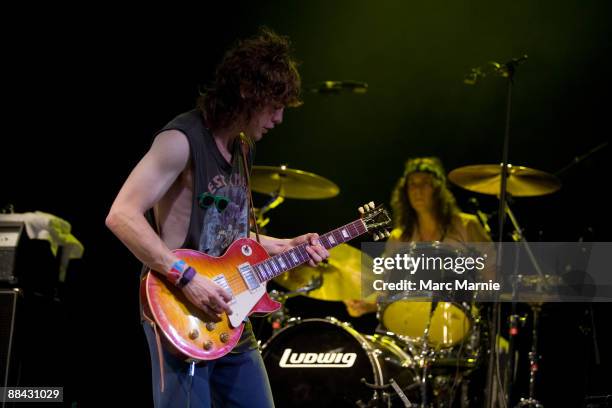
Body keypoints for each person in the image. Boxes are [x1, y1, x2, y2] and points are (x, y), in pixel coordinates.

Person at [105, 28, 329, 408]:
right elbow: (121, 215)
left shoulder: (243, 147)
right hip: (180, 305)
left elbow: (234, 239)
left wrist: (286, 246)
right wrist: (187, 278)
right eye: (274, 106)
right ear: (247, 92)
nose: (278, 119)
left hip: (229, 310)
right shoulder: (180, 140)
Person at [345, 156, 493, 316]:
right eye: (412, 184)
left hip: (458, 319)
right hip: (411, 322)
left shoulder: (467, 226)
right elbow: (387, 289)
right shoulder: (399, 238)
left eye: (425, 183)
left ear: (438, 188)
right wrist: (367, 304)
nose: (417, 190)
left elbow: (492, 274)